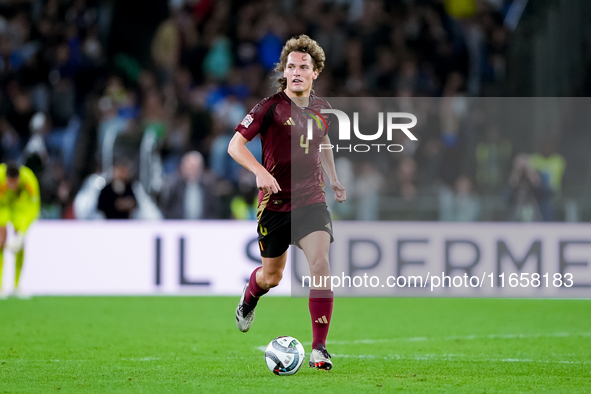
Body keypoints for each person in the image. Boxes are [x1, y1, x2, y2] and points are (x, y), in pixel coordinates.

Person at [228, 35, 346, 371]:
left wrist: (334, 179)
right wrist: (259, 171)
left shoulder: (322, 109)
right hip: (275, 206)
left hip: (312, 202)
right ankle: (249, 298)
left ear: (315, 73)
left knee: (321, 266)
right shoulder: (269, 107)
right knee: (272, 277)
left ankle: (319, 349)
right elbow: (234, 146)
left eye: (303, 67)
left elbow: (323, 144)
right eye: (290, 67)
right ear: (284, 71)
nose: (296, 72)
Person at [0, 162, 41, 298]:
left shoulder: (28, 179)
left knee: (20, 245)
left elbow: (33, 207)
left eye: (15, 182)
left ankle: (17, 286)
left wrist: (23, 232)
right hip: (2, 206)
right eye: (9, 183)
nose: (12, 186)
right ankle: (0, 287)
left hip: (20, 208)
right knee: (0, 241)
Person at [159, 151, 219, 219]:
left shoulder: (208, 188)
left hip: (203, 227)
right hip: (178, 226)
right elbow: (166, 210)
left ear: (201, 168)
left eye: (195, 168)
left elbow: (213, 212)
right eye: (190, 168)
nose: (192, 171)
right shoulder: (173, 187)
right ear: (182, 167)